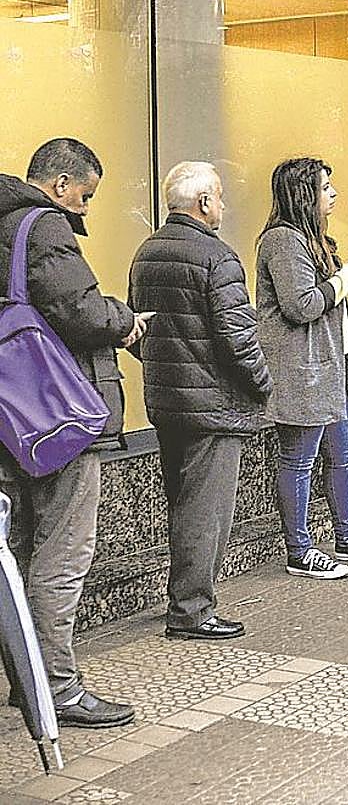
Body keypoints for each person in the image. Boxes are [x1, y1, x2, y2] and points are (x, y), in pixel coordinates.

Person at [0, 138, 143, 727]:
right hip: (54, 419)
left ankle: (26, 677)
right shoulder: (43, 226)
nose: (85, 208)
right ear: (60, 184)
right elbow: (80, 312)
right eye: (85, 195)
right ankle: (56, 687)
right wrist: (127, 321)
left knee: (20, 557)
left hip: (12, 422)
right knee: (60, 556)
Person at [128, 161, 271, 641]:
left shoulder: (147, 252)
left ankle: (184, 598)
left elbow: (135, 329)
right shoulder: (218, 257)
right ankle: (192, 610)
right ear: (204, 202)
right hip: (212, 406)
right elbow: (239, 339)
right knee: (206, 511)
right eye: (221, 197)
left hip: (167, 401)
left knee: (183, 504)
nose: (224, 206)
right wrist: (264, 384)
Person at [257, 158, 348, 579]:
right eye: (325, 187)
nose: (333, 193)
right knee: (299, 459)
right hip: (303, 370)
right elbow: (300, 305)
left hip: (328, 368)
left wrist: (343, 274)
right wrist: (346, 280)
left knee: (343, 454)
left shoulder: (314, 239)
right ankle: (299, 550)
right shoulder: (283, 241)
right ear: (304, 195)